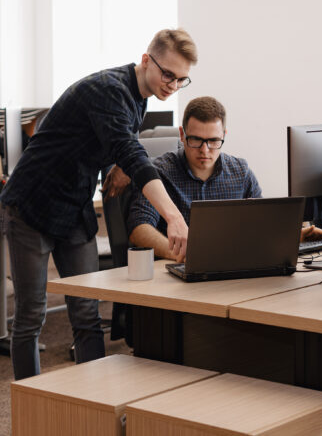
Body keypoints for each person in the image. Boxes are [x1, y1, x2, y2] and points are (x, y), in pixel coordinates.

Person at [0, 28, 197, 380]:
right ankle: (28, 403)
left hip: (74, 207)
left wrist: (119, 165)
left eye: (181, 79)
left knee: (88, 311)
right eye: (168, 74)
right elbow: (132, 151)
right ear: (146, 60)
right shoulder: (107, 89)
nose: (172, 84)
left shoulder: (141, 94)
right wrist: (173, 216)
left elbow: (117, 140)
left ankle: (94, 404)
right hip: (32, 203)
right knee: (31, 315)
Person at [128, 96, 322, 258]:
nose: (205, 150)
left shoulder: (240, 172)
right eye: (196, 140)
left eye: (213, 141)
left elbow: (261, 226)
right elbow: (140, 230)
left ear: (224, 135)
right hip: (178, 273)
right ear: (182, 135)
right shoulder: (159, 173)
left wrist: (294, 237)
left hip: (232, 270)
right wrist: (180, 253)